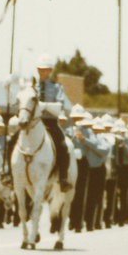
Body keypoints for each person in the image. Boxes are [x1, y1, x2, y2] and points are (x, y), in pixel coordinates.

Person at [35, 54, 74, 192]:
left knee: (63, 147)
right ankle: (9, 174)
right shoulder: (32, 86)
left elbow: (60, 103)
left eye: (45, 70)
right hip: (34, 122)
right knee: (14, 140)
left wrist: (44, 106)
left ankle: (63, 178)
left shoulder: (57, 87)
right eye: (40, 69)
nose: (42, 72)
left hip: (50, 122)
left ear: (50, 71)